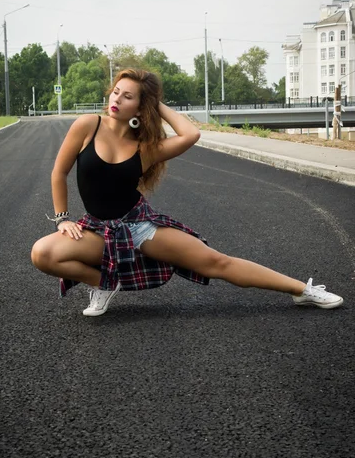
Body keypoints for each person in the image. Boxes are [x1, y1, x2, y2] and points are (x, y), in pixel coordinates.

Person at [31, 68, 343, 316]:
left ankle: (302, 290)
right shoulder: (88, 125)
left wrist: (156, 103)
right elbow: (59, 172)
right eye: (116, 92)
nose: (117, 99)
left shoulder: (146, 149)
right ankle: (104, 283)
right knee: (42, 253)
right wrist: (62, 219)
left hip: (138, 227)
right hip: (97, 230)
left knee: (216, 262)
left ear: (141, 106)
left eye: (128, 97)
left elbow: (191, 133)